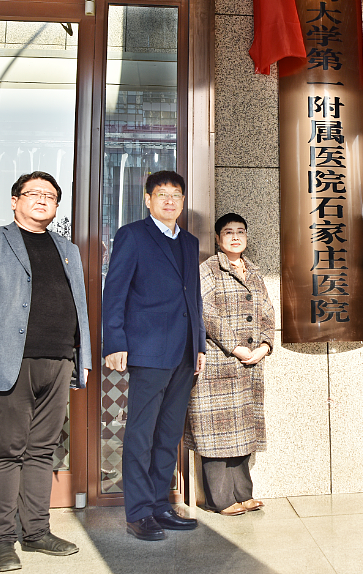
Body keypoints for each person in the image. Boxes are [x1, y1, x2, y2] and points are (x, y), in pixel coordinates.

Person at [0, 171, 91, 573]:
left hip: (59, 361)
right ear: (15, 201)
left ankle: (36, 531)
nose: (42, 200)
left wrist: (78, 357)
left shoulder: (68, 249)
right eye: (33, 193)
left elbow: (78, 305)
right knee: (5, 450)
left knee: (42, 450)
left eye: (50, 195)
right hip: (11, 364)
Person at [103, 170, 206, 541]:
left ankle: (161, 506)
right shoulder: (132, 235)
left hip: (182, 351)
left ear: (182, 201)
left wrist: (200, 346)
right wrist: (115, 342)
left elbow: (193, 298)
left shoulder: (189, 242)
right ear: (147, 200)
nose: (169, 200)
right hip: (147, 349)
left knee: (168, 434)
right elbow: (115, 292)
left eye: (176, 194)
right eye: (161, 194)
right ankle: (139, 512)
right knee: (141, 434)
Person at [184, 213, 275, 516]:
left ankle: (243, 493)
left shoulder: (255, 272)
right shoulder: (208, 270)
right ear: (219, 239)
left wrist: (264, 345)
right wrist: (234, 346)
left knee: (243, 432)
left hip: (250, 364)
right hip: (220, 361)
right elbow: (204, 311)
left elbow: (267, 312)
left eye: (240, 232)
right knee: (217, 434)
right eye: (228, 232)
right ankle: (218, 500)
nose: (235, 237)